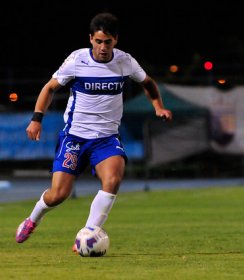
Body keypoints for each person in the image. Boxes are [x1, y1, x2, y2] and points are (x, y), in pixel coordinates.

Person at [15, 12, 172, 249]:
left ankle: (87, 234)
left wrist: (158, 106)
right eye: (98, 41)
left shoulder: (124, 61)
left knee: (113, 179)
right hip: (75, 137)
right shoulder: (77, 61)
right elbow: (49, 88)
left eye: (107, 42)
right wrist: (36, 119)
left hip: (106, 138)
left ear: (115, 40)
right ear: (90, 39)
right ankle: (32, 219)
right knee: (58, 194)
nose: (102, 47)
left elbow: (147, 83)